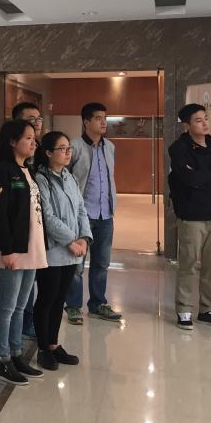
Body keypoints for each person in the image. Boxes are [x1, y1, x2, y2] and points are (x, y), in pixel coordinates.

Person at [0, 119, 47, 386]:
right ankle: (3, 359)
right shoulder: (1, 170)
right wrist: (6, 250)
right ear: (12, 141)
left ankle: (16, 353)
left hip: (31, 247)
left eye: (34, 138)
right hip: (12, 249)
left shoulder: (27, 170)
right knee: (7, 307)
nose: (33, 143)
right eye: (28, 138)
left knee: (21, 306)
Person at [168, 103, 211, 330]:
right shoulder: (179, 149)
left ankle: (208, 310)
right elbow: (189, 179)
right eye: (198, 120)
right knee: (188, 265)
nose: (205, 123)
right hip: (191, 215)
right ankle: (184, 310)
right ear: (186, 125)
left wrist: (200, 177)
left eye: (206, 118)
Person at [33, 131, 90, 371]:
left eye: (69, 149)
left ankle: (54, 344)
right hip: (53, 250)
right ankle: (43, 348)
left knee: (59, 300)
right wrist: (70, 241)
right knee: (47, 299)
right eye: (62, 149)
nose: (67, 153)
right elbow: (47, 217)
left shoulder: (70, 177)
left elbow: (81, 210)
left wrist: (84, 238)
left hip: (72, 250)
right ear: (48, 153)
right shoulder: (41, 179)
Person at [66, 102, 123, 324]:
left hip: (105, 214)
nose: (103, 122)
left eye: (104, 118)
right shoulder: (74, 147)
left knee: (102, 263)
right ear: (86, 122)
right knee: (77, 264)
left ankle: (98, 304)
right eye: (98, 118)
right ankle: (73, 306)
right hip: (82, 214)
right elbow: (66, 179)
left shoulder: (110, 147)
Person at [11, 103, 44, 339]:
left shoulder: (41, 150)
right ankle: (12, 338)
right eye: (31, 119)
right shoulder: (7, 161)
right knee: (13, 295)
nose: (37, 122)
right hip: (18, 237)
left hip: (38, 228)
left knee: (31, 284)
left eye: (38, 119)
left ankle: (28, 322)